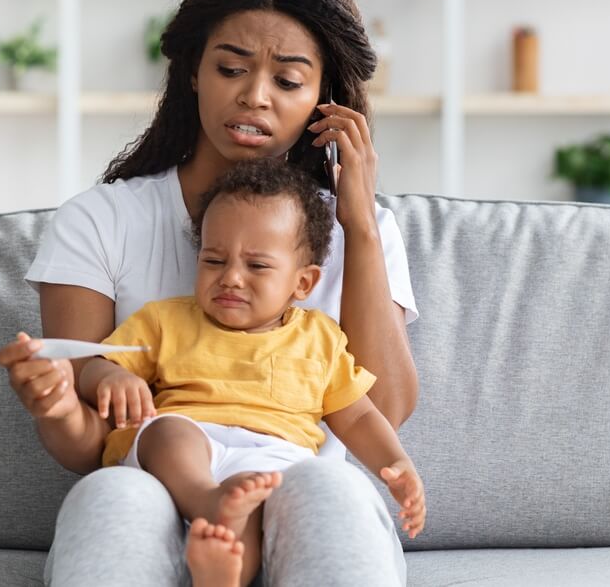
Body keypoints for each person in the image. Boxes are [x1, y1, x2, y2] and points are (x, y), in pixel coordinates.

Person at [0, 0, 420, 586]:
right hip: (154, 491)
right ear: (193, 71)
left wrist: (357, 228)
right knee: (116, 495)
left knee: (327, 489)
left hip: (295, 493)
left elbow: (380, 407)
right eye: (231, 69)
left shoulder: (360, 231)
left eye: (289, 81)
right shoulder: (102, 220)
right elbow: (90, 445)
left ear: (322, 101)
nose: (254, 96)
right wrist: (57, 402)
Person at [87, 159, 425, 586]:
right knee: (166, 431)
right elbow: (96, 366)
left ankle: (225, 576)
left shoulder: (319, 337)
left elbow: (357, 415)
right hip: (190, 451)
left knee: (250, 494)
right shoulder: (164, 320)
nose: (230, 278)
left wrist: (396, 464)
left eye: (257, 266)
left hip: (275, 455)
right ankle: (205, 501)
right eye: (213, 260)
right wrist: (111, 377)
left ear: (303, 284)